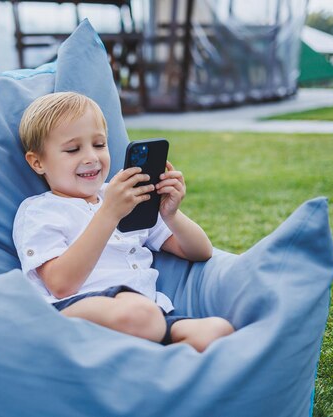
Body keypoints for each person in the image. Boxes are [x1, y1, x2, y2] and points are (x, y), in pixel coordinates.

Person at [12, 92, 234, 352]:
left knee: (218, 331)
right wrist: (109, 213)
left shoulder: (123, 196)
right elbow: (61, 284)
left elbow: (200, 252)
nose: (91, 157)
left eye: (99, 144)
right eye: (73, 149)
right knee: (139, 314)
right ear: (37, 162)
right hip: (78, 309)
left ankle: (147, 365)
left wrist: (171, 215)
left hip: (151, 313)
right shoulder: (40, 211)